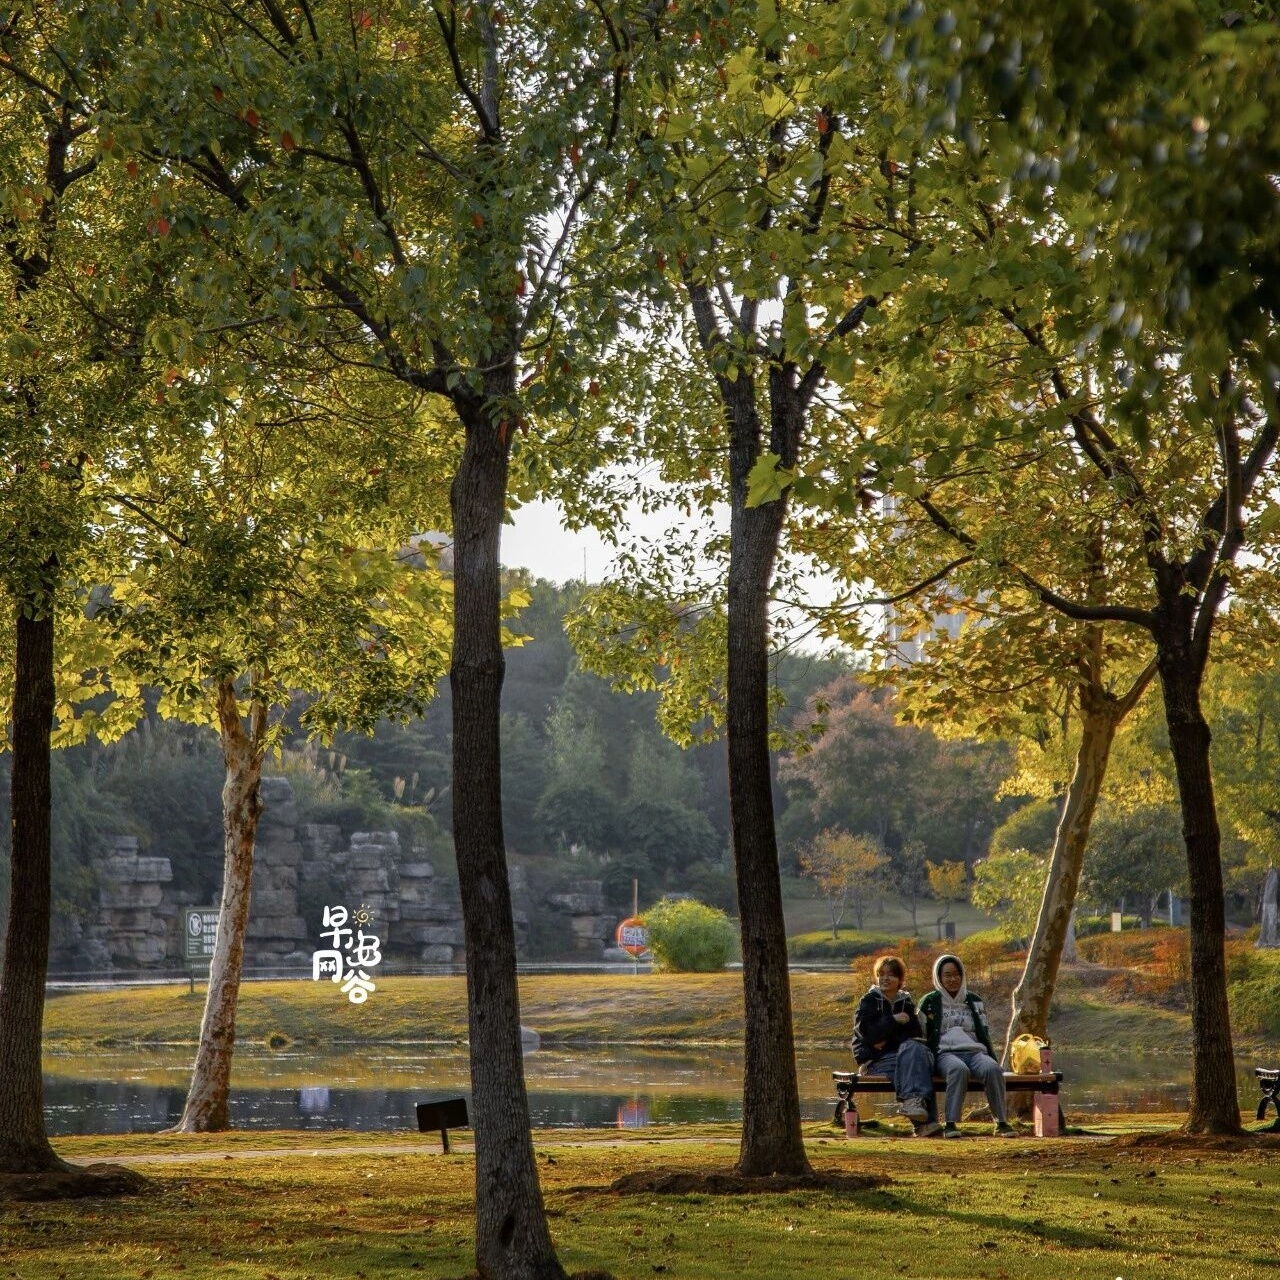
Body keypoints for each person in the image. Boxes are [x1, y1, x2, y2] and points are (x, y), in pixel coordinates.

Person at [918, 953, 1016, 1138]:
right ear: (939, 977)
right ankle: (950, 1123)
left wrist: (990, 1055)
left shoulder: (974, 1000)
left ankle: (1001, 1122)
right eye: (947, 975)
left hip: (975, 1052)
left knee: (993, 1069)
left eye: (957, 974)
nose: (953, 979)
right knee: (958, 1070)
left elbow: (984, 1032)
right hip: (945, 1054)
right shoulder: (929, 1001)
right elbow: (920, 1034)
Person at [852, 954, 941, 1137]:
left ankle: (915, 1109)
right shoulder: (868, 1001)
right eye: (881, 974)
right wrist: (893, 1020)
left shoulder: (906, 1002)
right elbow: (867, 1034)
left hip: (903, 1055)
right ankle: (926, 1123)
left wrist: (886, 1037)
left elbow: (915, 1035)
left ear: (900, 979)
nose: (885, 978)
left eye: (891, 974)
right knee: (918, 1066)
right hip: (875, 1060)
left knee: (916, 1054)